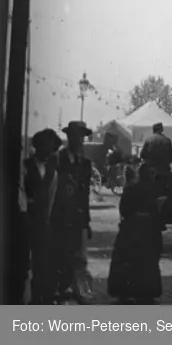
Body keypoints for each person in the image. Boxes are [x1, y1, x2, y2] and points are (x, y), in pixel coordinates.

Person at [107, 163, 163, 304]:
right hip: (140, 228)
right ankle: (139, 291)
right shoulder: (148, 189)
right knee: (141, 261)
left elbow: (124, 209)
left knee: (133, 261)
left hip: (137, 228)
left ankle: (132, 291)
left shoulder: (137, 188)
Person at [53, 122, 95, 303]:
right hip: (61, 216)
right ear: (68, 137)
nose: (78, 140)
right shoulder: (58, 160)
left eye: (81, 137)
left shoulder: (85, 164)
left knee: (79, 254)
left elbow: (84, 196)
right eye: (75, 136)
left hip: (78, 217)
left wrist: (87, 221)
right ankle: (61, 288)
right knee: (61, 252)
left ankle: (77, 289)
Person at [24, 129, 61, 304]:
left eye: (51, 147)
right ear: (37, 146)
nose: (47, 150)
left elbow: (51, 199)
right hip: (24, 223)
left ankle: (39, 299)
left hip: (43, 224)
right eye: (45, 145)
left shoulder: (52, 173)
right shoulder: (25, 166)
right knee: (24, 264)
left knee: (42, 264)